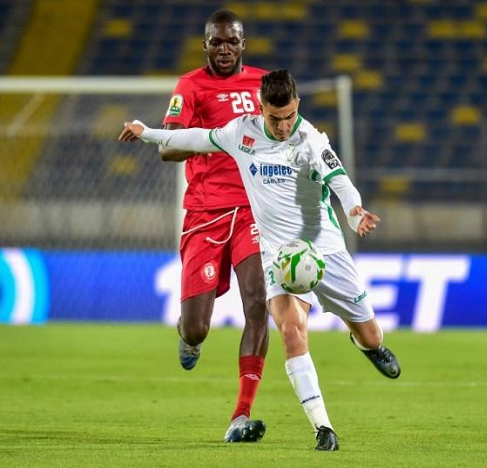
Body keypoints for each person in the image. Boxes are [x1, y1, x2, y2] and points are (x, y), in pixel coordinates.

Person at [119, 69, 401, 451]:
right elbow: (194, 138)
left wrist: (355, 213)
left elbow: (341, 182)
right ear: (261, 107)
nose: (283, 126)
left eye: (289, 116)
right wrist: (147, 132)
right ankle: (323, 428)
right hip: (279, 256)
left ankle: (367, 345)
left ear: (297, 105)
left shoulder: (311, 140)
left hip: (325, 251)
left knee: (371, 334)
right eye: (275, 118)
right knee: (290, 330)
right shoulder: (241, 133)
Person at [152, 9, 270, 443]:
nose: (224, 49)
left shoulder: (263, 84)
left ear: (243, 45)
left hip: (253, 211)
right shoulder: (190, 86)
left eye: (232, 42)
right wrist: (215, 138)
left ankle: (241, 413)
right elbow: (167, 147)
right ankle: (188, 336)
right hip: (205, 214)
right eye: (216, 42)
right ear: (205, 45)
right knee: (197, 326)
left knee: (258, 304)